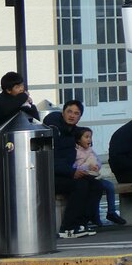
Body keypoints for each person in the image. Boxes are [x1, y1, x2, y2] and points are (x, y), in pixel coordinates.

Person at [45, 99, 103, 239]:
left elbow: (88, 151)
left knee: (96, 184)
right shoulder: (54, 130)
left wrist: (92, 165)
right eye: (69, 112)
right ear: (63, 112)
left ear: (80, 117)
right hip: (50, 175)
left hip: (68, 172)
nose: (72, 115)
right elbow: (50, 159)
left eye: (76, 113)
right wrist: (72, 172)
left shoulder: (75, 133)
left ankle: (81, 223)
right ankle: (68, 228)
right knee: (80, 185)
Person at [73, 126, 126, 226]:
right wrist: (87, 166)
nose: (89, 139)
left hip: (94, 176)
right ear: (78, 139)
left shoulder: (90, 150)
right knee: (95, 191)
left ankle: (111, 212)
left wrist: (97, 166)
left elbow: (97, 160)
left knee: (109, 186)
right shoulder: (76, 152)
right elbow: (75, 167)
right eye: (86, 137)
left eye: (90, 137)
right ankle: (94, 216)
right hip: (84, 178)